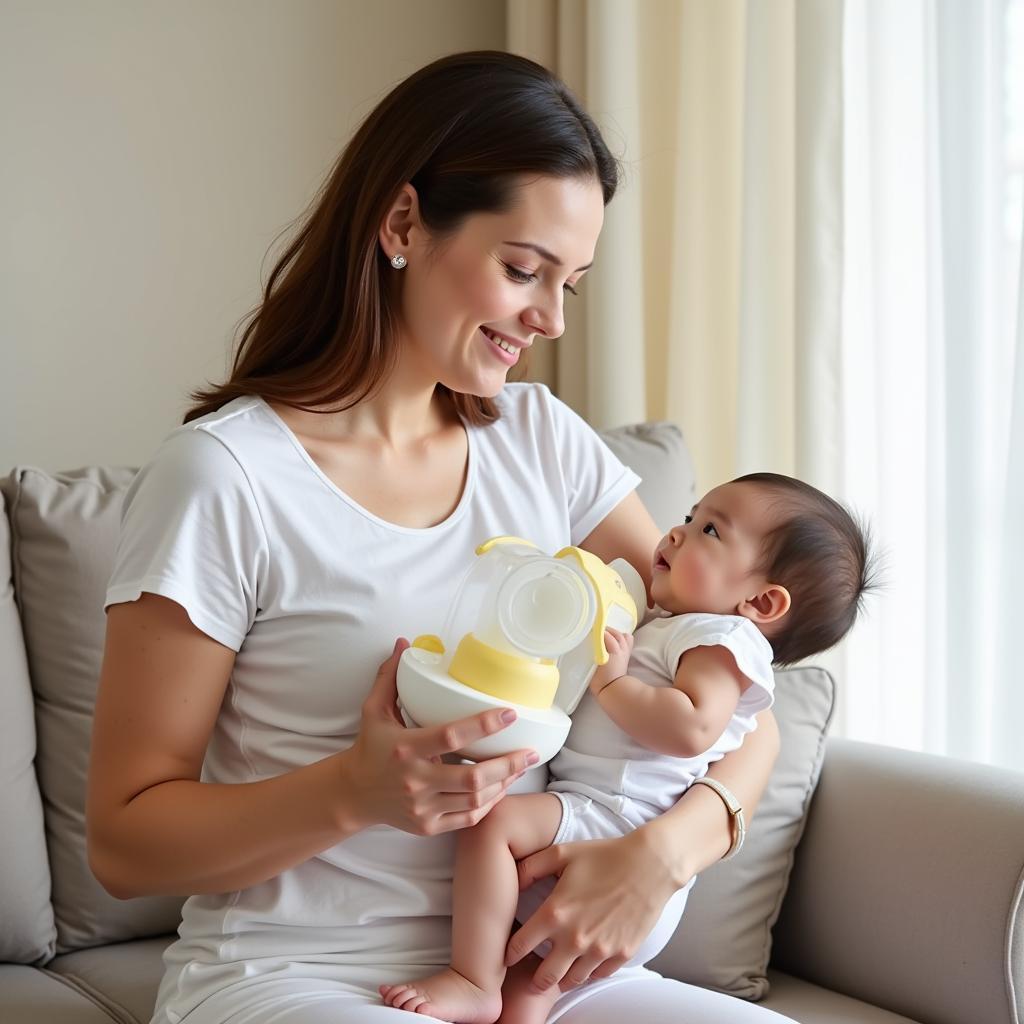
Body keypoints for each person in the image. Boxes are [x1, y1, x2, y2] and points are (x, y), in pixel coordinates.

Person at [86, 51, 797, 1024]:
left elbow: (746, 692)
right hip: (293, 975)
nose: (546, 318)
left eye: (570, 285)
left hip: (533, 976)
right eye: (522, 270)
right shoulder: (225, 477)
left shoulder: (544, 441)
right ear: (403, 222)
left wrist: (667, 850)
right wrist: (353, 791)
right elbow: (124, 843)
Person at [380, 474, 874, 1023]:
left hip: (618, 820)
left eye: (709, 529)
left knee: (493, 826)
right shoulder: (674, 624)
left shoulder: (723, 640)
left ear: (760, 601)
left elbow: (693, 727)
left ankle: (471, 978)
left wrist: (614, 686)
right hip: (601, 826)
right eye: (690, 515)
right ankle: (508, 1001)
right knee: (534, 985)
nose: (678, 533)